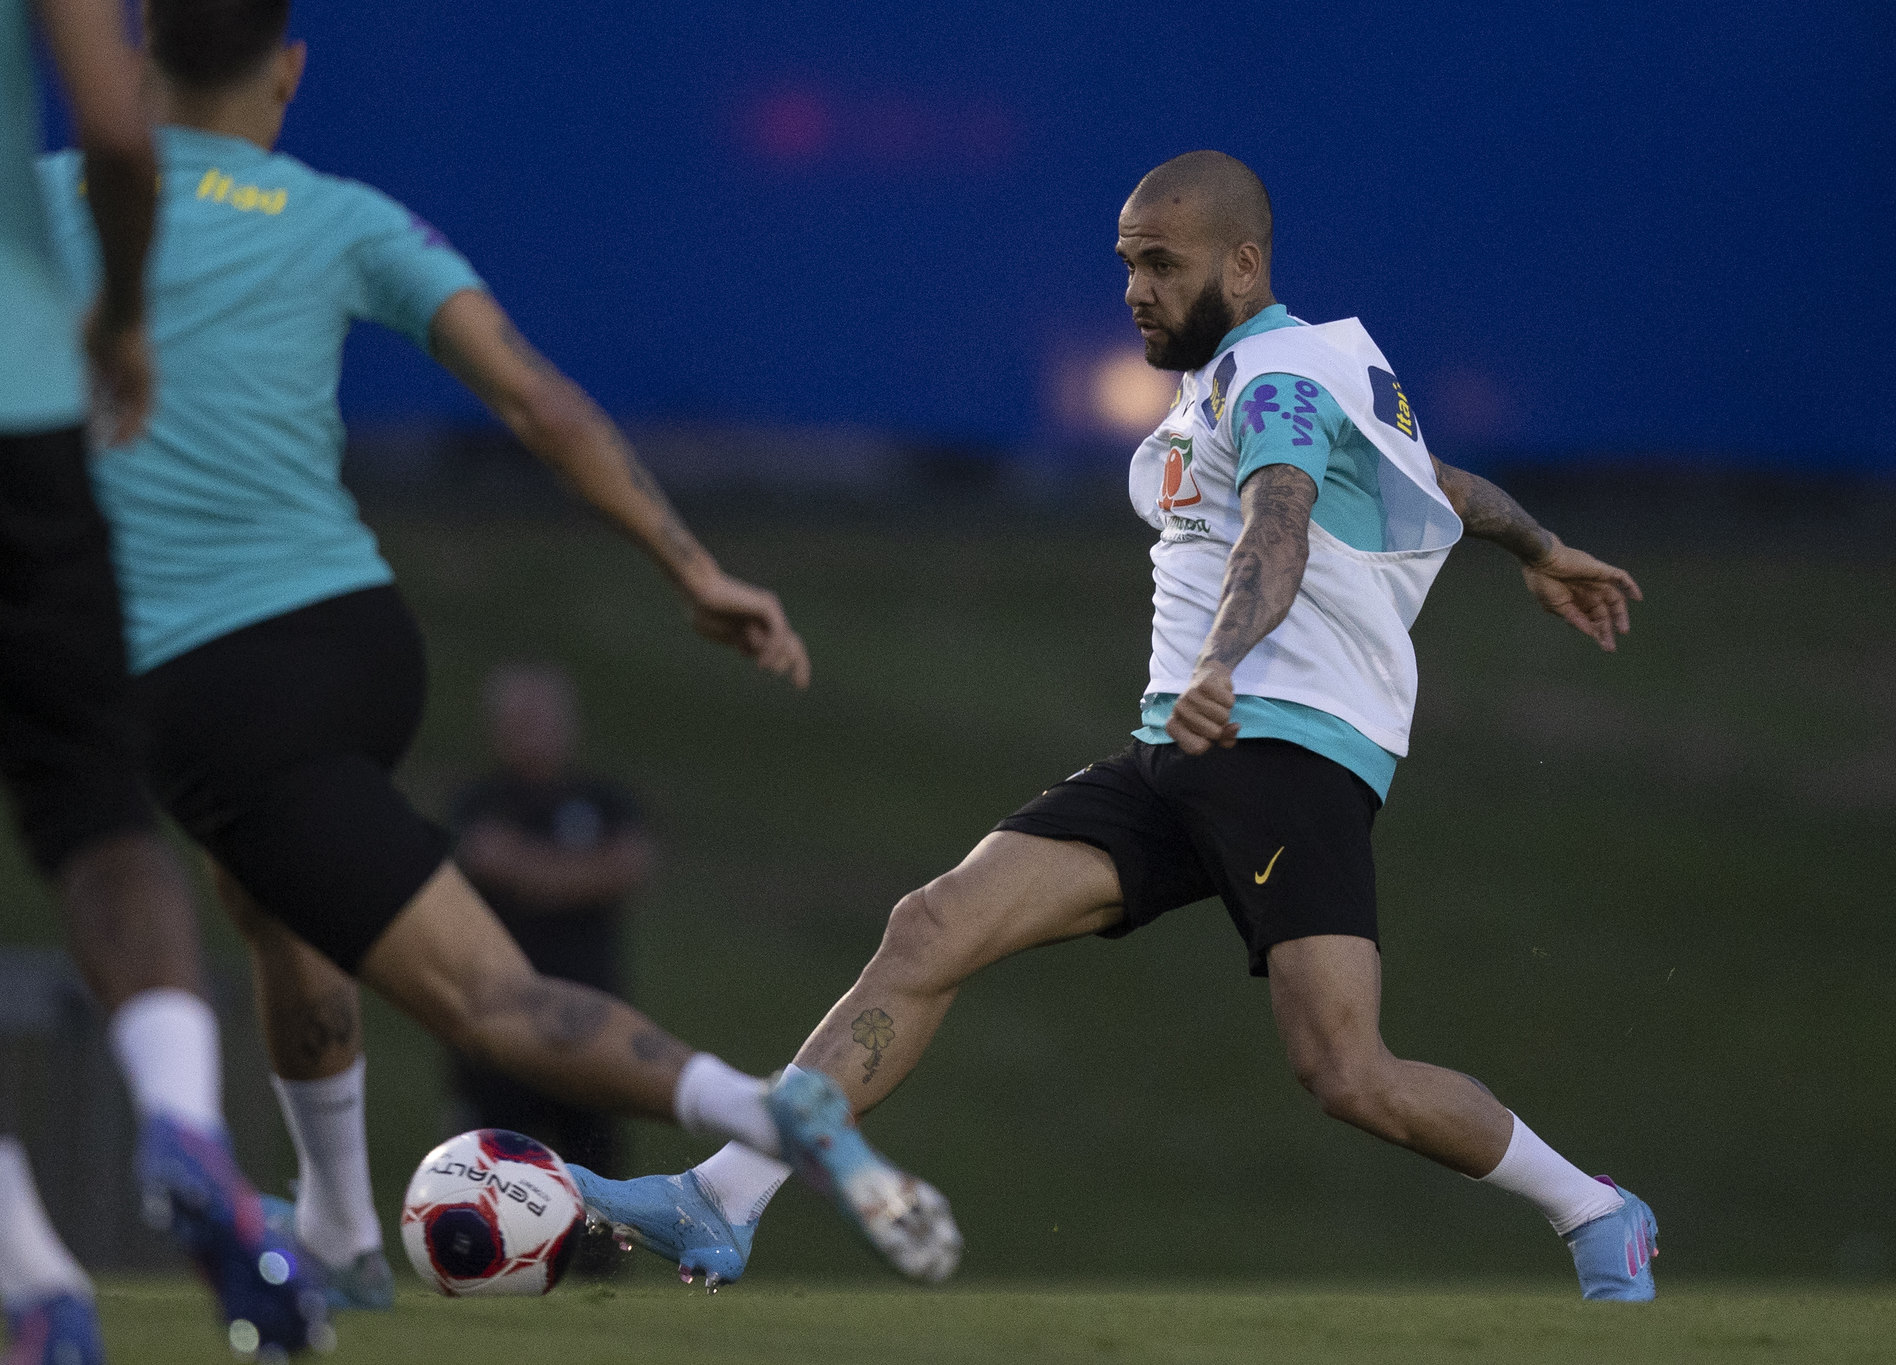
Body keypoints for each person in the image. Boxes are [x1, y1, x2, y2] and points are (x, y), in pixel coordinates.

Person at [579, 150, 1660, 1302]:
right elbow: (1435, 480)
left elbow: (1278, 525)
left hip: (1285, 752)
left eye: (1160, 265)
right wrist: (1540, 546)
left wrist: (1219, 662)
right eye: (1126, 265)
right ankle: (723, 1197)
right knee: (931, 927)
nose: (1134, 291)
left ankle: (1596, 1211)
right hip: (1180, 753)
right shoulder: (1284, 371)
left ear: (1241, 265)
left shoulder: (1274, 380)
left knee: (1346, 1073)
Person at [37, 0, 961, 1300]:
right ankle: (343, 1229)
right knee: (270, 901)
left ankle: (759, 1111)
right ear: (288, 71)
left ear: (135, 58)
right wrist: (689, 567)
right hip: (358, 635)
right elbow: (539, 401)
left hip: (216, 672)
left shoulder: (47, 201)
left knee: (486, 1001)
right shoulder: (344, 216)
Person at [0, 3, 322, 1361]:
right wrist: (117, 314)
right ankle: (181, 1123)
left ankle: (35, 1283)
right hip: (3, 390)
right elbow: (118, 128)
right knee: (95, 811)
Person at [450, 664, 646, 1174]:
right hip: (499, 1022)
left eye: (544, 719)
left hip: (592, 1020)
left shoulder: (604, 800)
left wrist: (531, 871)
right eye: (522, 720)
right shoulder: (479, 802)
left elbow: (628, 865)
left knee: (596, 1176)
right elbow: (483, 857)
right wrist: (578, 873)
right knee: (490, 1174)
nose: (535, 733)